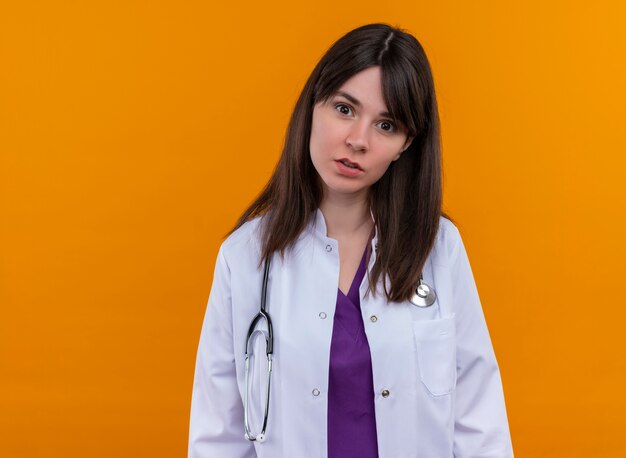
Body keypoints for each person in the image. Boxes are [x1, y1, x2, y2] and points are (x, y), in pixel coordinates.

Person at [188, 23, 514, 458]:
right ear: (313, 106)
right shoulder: (245, 258)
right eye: (344, 109)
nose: (358, 140)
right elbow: (218, 438)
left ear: (405, 144)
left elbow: (480, 422)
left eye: (386, 124)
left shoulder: (440, 250)